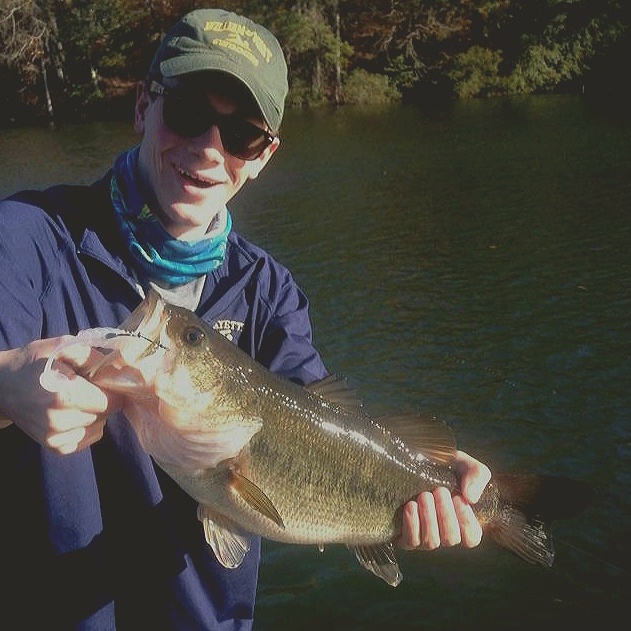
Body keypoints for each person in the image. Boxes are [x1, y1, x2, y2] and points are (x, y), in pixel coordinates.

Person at [0, 8, 491, 630]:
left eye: (242, 136)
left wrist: (434, 472)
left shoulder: (267, 291)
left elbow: (329, 424)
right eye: (184, 113)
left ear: (264, 157)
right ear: (142, 109)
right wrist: (6, 383)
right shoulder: (26, 239)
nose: (208, 149)